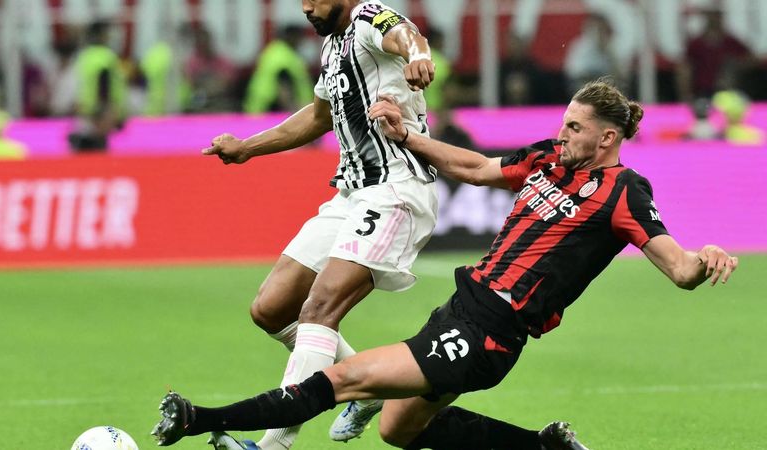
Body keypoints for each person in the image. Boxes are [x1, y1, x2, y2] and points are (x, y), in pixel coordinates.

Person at [152, 79, 739, 449]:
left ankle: (198, 420)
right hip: (462, 306)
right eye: (564, 122)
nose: (563, 134)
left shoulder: (624, 192)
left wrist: (703, 257)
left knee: (344, 379)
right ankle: (546, 447)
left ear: (608, 138)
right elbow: (479, 168)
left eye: (575, 127)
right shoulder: (549, 159)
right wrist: (408, 137)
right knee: (397, 429)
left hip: (491, 331)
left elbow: (679, 268)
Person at [198, 1, 437, 449]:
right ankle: (364, 392)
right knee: (271, 309)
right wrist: (249, 147)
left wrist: (419, 54)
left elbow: (405, 33)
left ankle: (273, 445)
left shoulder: (368, 18)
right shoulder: (332, 47)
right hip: (351, 193)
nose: (306, 7)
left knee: (319, 310)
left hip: (395, 191)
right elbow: (318, 116)